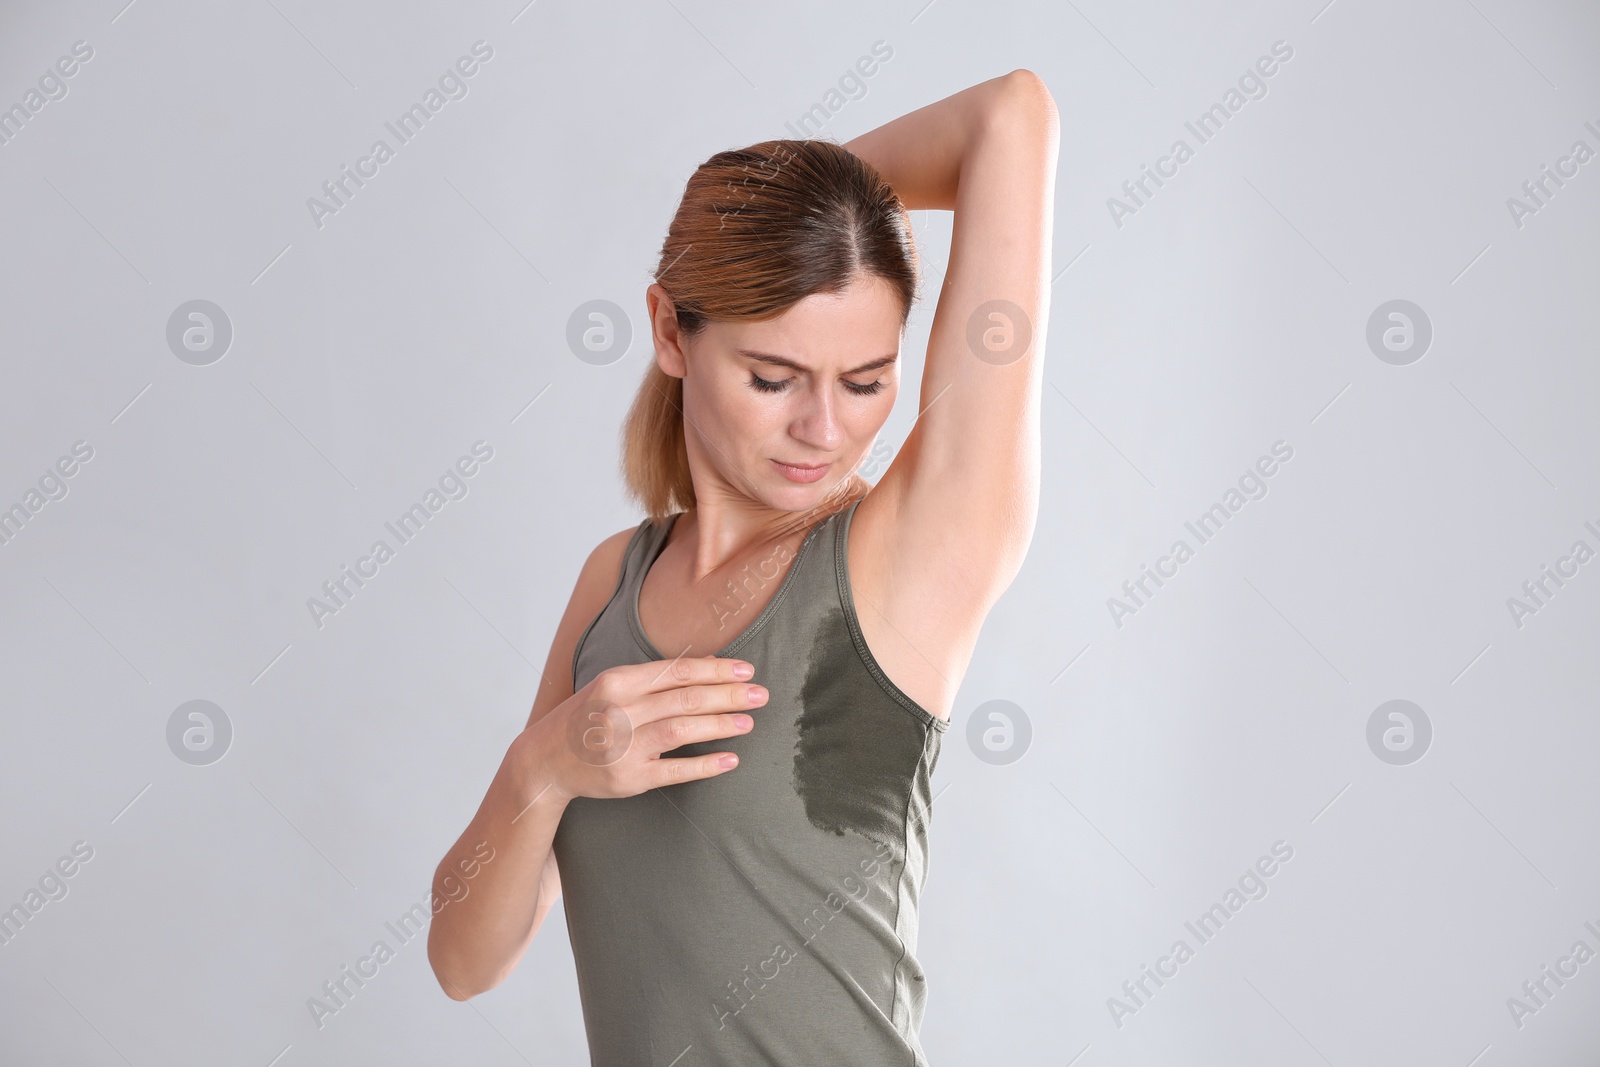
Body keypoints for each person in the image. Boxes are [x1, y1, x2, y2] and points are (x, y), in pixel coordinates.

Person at [427, 69, 1058, 1065]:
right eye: (772, 377)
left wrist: (801, 204)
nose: (823, 427)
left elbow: (1011, 115)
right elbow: (464, 961)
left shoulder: (906, 560)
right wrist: (541, 767)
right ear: (672, 331)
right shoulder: (614, 583)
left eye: (865, 380)